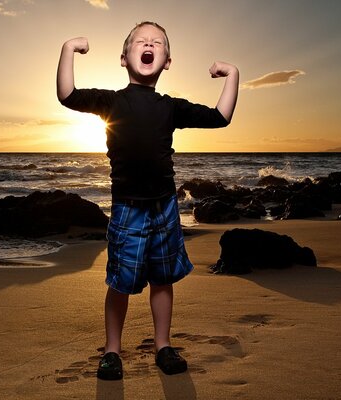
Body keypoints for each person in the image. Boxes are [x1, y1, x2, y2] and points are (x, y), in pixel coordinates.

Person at [56, 21, 239, 379]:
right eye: (140, 41)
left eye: (157, 42)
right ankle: (112, 351)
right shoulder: (111, 101)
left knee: (163, 278)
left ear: (167, 61)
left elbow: (221, 117)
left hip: (165, 207)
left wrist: (232, 73)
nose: (149, 43)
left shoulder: (170, 107)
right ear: (124, 57)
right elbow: (67, 95)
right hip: (127, 208)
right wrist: (68, 49)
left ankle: (163, 345)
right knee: (120, 282)